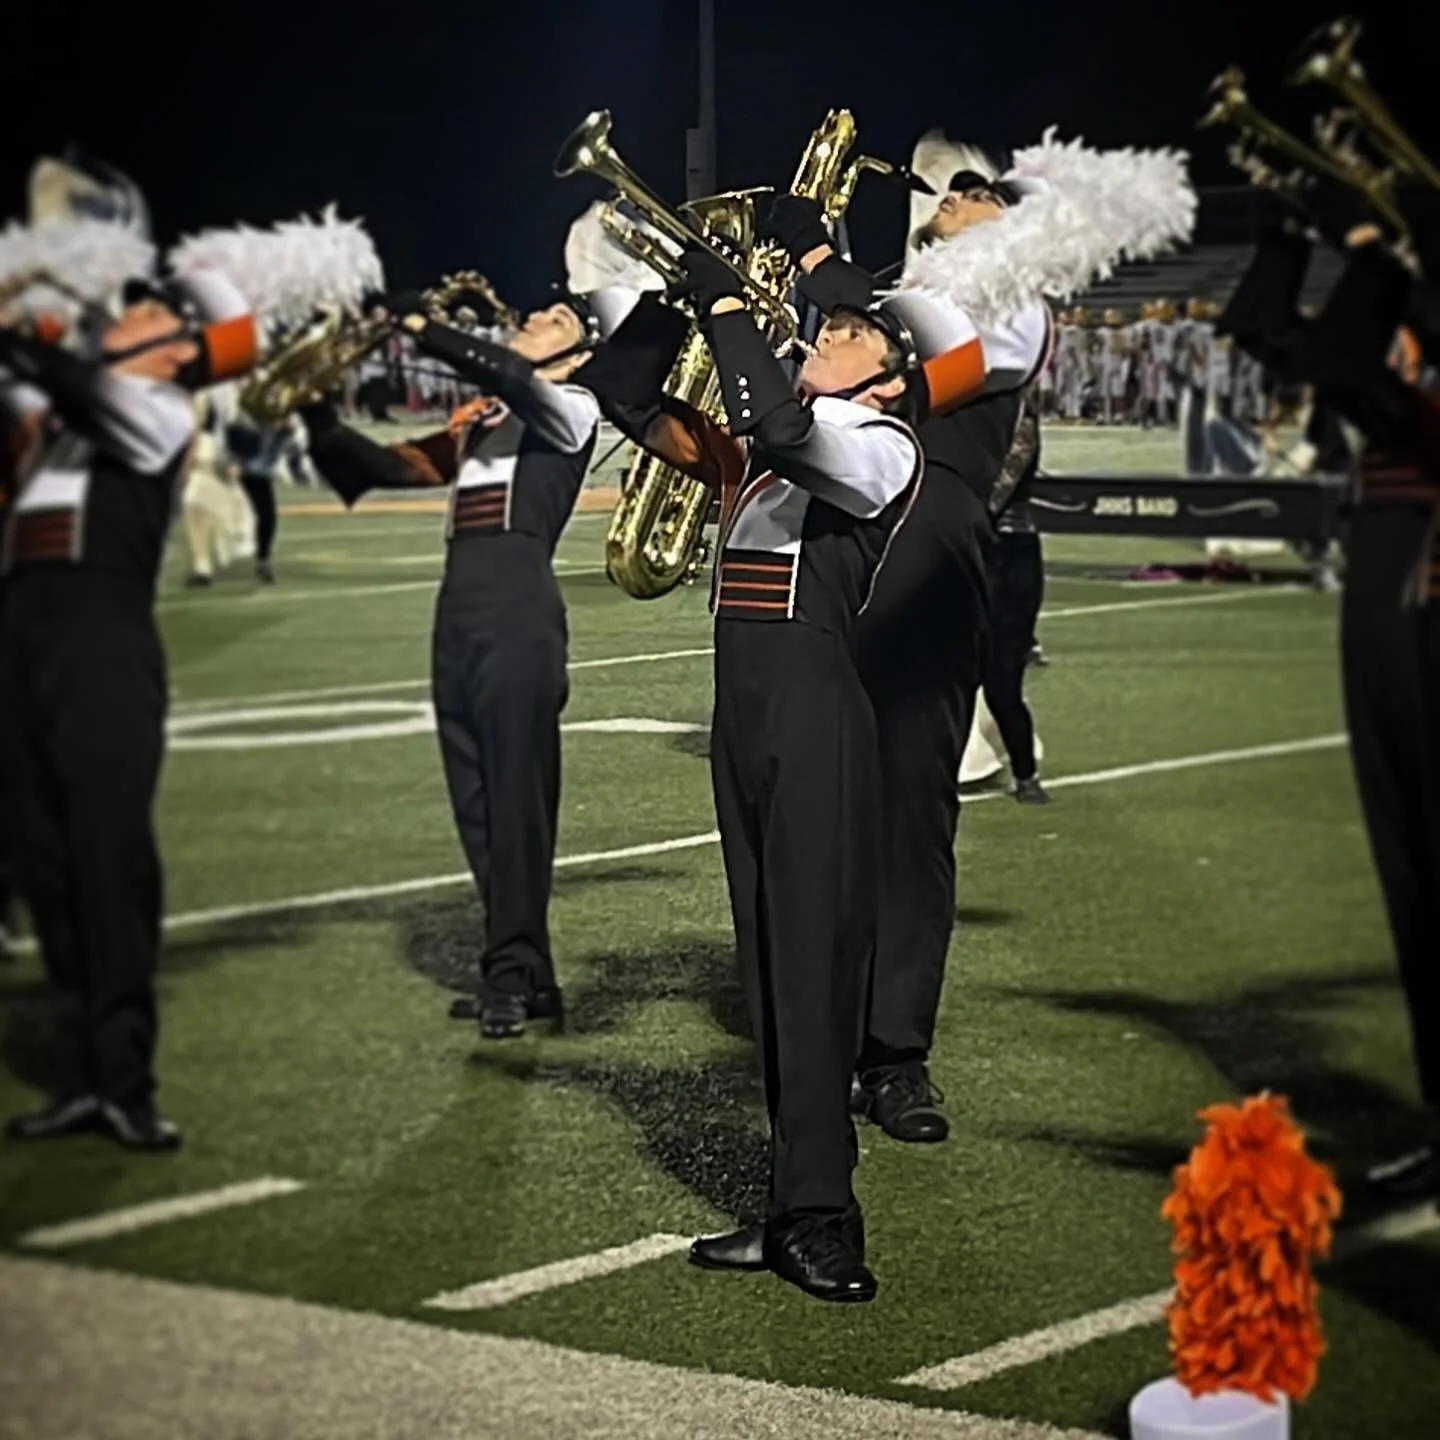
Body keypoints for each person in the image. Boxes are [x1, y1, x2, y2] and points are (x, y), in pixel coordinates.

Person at [757, 132, 1193, 1145]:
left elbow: (927, 353)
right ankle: (817, 1031)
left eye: (984, 190)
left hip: (925, 548)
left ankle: (895, 1052)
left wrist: (820, 264)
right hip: (829, 543)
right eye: (956, 184)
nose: (956, 192)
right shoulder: (894, 294)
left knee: (910, 810)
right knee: (816, 803)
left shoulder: (1015, 308)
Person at [301, 281, 633, 1040]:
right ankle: (531, 971)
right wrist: (315, 413)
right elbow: (387, 471)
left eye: (551, 320)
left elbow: (511, 375)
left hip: (519, 608)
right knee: (475, 796)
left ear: (581, 353)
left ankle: (508, 972)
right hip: (458, 609)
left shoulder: (572, 407)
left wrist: (424, 328)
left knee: (516, 795)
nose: (529, 321)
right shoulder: (482, 420)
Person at [0, 264, 259, 1150]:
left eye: (142, 309)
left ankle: (124, 1081)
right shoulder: (60, 417)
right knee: (43, 861)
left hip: (100, 645)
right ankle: (77, 1074)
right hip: (19, 639)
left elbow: (66, 374)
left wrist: (27, 335)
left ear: (177, 345)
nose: (117, 317)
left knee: (107, 861)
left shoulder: (157, 412)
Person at [1220, 166, 1440, 1199]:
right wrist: (1290, 230)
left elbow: (1358, 345)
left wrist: (1366, 248)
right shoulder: (1396, 293)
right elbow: (1269, 334)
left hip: (1421, 559)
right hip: (1391, 565)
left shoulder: (1410, 290)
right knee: (1410, 860)